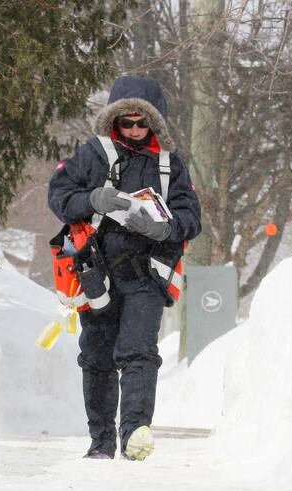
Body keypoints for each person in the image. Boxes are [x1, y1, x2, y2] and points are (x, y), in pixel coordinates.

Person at [47, 75, 202, 461]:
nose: (133, 129)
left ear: (155, 122)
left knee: (137, 351)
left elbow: (191, 216)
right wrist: (92, 199)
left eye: (141, 122)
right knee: (96, 355)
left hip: (147, 273)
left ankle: (134, 432)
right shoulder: (92, 155)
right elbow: (60, 195)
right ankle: (101, 442)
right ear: (114, 121)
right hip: (95, 271)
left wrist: (164, 227)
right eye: (126, 122)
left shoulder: (171, 165)